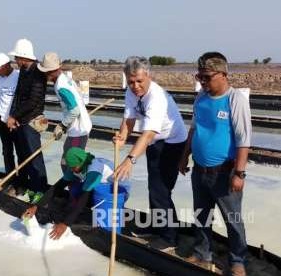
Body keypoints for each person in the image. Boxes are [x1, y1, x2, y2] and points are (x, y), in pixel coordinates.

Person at [179, 52, 251, 276]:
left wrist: (239, 173)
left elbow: (243, 139)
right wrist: (185, 156)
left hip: (224, 172)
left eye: (207, 77)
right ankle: (203, 254)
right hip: (200, 169)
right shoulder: (201, 97)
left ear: (223, 74)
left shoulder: (235, 99)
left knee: (233, 220)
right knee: (201, 215)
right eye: (200, 77)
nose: (203, 82)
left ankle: (238, 259)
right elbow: (194, 129)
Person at [113, 56, 187, 251]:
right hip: (156, 141)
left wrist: (130, 159)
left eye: (139, 81)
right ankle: (156, 227)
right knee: (153, 186)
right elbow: (129, 119)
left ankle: (170, 237)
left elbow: (147, 135)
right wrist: (122, 136)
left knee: (160, 189)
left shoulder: (157, 98)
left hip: (172, 142)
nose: (135, 86)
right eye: (130, 81)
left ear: (148, 76)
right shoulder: (131, 92)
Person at [23, 147, 131, 240]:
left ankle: (99, 221)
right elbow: (57, 187)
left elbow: (82, 199)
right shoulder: (77, 166)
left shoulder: (94, 170)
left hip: (116, 190)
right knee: (74, 188)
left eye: (73, 167)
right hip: (97, 186)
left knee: (89, 197)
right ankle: (79, 212)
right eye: (70, 167)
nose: (71, 169)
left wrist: (65, 224)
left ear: (80, 162)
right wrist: (36, 206)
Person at [6, 38, 49, 196]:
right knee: (24, 156)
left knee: (34, 157)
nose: (15, 60)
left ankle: (41, 190)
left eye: (16, 57)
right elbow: (18, 94)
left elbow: (33, 101)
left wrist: (15, 115)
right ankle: (31, 187)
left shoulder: (38, 72)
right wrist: (13, 116)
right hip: (21, 120)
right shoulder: (24, 71)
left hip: (31, 121)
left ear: (24, 57)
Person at [37, 52, 92, 173]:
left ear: (52, 71)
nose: (45, 74)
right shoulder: (65, 79)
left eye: (47, 71)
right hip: (78, 126)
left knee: (70, 164)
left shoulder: (61, 86)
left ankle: (80, 188)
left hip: (79, 130)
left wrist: (62, 125)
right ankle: (76, 187)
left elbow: (74, 110)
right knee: (68, 161)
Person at [0, 53, 22, 191]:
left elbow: (21, 100)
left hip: (15, 121)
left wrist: (15, 117)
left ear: (7, 65)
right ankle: (10, 180)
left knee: (21, 152)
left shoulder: (19, 76)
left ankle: (21, 182)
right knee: (7, 152)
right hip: (3, 121)